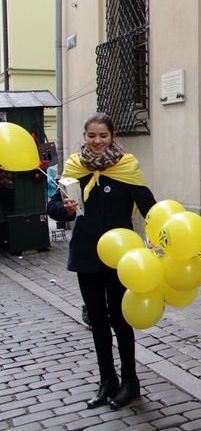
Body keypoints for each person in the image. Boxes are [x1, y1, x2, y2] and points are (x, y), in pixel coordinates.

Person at [47, 112, 156, 410]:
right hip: (86, 255)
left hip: (121, 257)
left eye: (103, 136)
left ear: (113, 136)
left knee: (120, 320)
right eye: (91, 136)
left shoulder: (126, 168)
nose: (97, 141)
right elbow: (54, 206)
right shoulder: (73, 168)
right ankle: (106, 380)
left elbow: (151, 208)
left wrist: (158, 236)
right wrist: (65, 209)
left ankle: (130, 383)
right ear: (85, 136)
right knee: (97, 321)